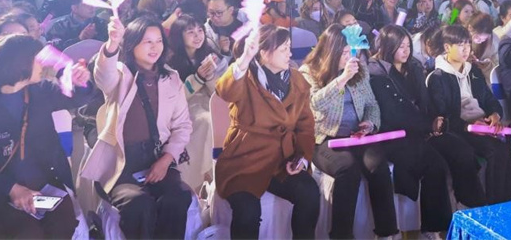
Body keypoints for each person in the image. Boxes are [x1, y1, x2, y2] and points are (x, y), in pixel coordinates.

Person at [0, 33, 94, 238]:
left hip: (42, 185)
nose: (43, 65)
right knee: (28, 233)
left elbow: (75, 99)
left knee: (64, 220)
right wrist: (11, 188)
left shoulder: (39, 91)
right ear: (20, 63)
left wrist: (78, 80)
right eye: (37, 59)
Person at [81, 14, 193, 240]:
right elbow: (103, 76)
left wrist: (166, 160)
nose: (155, 47)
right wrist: (113, 43)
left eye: (159, 41)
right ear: (132, 44)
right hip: (120, 164)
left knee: (177, 197)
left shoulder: (171, 78)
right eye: (147, 41)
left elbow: (183, 125)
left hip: (156, 156)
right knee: (138, 203)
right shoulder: (120, 74)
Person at [215, 25, 321, 239]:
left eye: (289, 47)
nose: (290, 54)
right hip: (245, 161)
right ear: (263, 53)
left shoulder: (296, 80)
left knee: (309, 192)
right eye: (284, 49)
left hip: (282, 161)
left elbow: (305, 125)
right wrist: (245, 58)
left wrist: (301, 158)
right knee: (248, 210)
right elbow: (224, 91)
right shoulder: (245, 77)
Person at [300, 25, 399, 240]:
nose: (349, 57)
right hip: (324, 139)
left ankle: (387, 233)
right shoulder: (309, 72)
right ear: (331, 50)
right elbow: (314, 104)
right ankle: (341, 235)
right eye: (344, 52)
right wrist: (341, 79)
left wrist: (369, 123)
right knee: (347, 169)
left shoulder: (359, 70)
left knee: (378, 166)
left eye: (351, 52)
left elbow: (372, 104)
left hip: (357, 137)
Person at [367, 25, 452, 239]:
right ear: (388, 47)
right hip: (393, 135)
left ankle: (435, 227)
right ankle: (418, 229)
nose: (406, 51)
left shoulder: (413, 67)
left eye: (408, 46)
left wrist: (434, 121)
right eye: (400, 47)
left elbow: (423, 102)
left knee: (440, 164)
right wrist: (427, 125)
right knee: (429, 163)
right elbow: (393, 113)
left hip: (417, 131)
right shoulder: (377, 73)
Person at [427, 24, 511, 204]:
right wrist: (469, 125)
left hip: (483, 125)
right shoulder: (437, 77)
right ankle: (492, 204)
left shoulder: (473, 71)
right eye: (460, 45)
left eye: (468, 44)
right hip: (460, 129)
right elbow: (442, 115)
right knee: (495, 151)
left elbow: (489, 99)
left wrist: (495, 114)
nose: (466, 49)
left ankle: (506, 200)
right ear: (447, 47)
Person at [167, 14, 224, 192]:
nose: (197, 35)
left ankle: (221, 171)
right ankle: (207, 175)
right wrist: (198, 78)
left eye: (200, 30)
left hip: (209, 102)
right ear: (179, 36)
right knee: (208, 121)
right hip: (186, 109)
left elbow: (218, 92)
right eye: (190, 32)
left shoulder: (209, 55)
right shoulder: (170, 62)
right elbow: (176, 98)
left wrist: (210, 76)